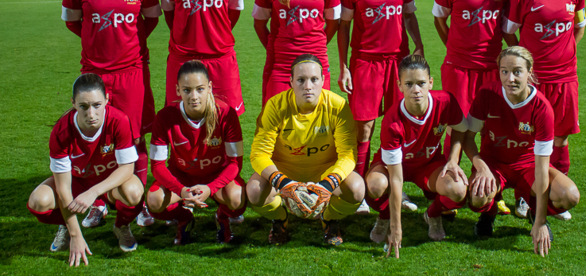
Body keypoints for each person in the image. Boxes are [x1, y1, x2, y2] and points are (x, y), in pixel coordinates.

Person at [61, 0, 161, 228]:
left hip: (131, 72)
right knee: (95, 137)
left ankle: (138, 201)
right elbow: (73, 22)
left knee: (134, 138)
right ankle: (99, 202)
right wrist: (98, 44)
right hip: (94, 75)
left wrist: (127, 46)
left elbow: (151, 19)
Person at [338, 0, 424, 213]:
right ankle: (361, 191)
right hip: (365, 62)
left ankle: (398, 188)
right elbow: (344, 27)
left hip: (397, 63)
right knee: (365, 129)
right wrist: (344, 66)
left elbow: (410, 16)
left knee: (399, 125)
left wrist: (419, 45)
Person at [432, 0, 516, 216]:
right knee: (455, 128)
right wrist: (454, 48)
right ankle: (448, 194)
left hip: (493, 70)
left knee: (493, 130)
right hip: (457, 68)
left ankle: (494, 190)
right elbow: (440, 20)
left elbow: (508, 28)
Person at [464, 47, 580, 256]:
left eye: (517, 71)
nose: (510, 78)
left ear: (530, 72)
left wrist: (542, 221)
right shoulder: (487, 94)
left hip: (529, 166)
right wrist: (481, 167)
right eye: (504, 71)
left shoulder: (542, 108)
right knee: (477, 197)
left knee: (569, 196)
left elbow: (543, 168)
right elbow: (467, 138)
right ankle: (488, 215)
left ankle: (534, 214)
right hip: (493, 165)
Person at [503, 0, 586, 221]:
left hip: (565, 79)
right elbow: (508, 31)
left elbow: (579, 25)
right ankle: (523, 198)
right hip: (534, 82)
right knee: (528, 140)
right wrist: (525, 66)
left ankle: (553, 193)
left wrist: (567, 52)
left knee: (560, 139)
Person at [27, 74, 144, 266]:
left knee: (134, 192)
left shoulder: (118, 120)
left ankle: (121, 226)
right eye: (84, 106)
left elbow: (127, 168)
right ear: (73, 103)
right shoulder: (61, 131)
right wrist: (76, 235)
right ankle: (67, 225)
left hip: (109, 183)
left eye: (97, 105)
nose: (91, 114)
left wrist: (95, 192)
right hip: (77, 182)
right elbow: (63, 188)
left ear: (107, 99)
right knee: (39, 201)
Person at [247, 54, 364, 246]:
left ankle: (328, 218)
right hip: (285, 171)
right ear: (291, 82)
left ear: (323, 81)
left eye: (313, 79)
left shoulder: (338, 106)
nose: (307, 86)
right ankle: (280, 219)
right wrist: (282, 182)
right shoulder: (275, 106)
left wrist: (328, 184)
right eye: (301, 80)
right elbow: (259, 153)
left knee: (357, 189)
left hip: (324, 171)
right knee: (254, 191)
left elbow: (348, 154)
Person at [365, 55, 469, 256]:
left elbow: (460, 129)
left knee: (458, 189)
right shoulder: (393, 120)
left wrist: (453, 160)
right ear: (399, 85)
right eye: (409, 84)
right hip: (394, 167)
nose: (416, 90)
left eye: (421, 83)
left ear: (431, 82)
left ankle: (432, 214)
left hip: (428, 165)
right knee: (376, 186)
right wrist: (397, 227)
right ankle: (385, 217)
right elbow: (396, 178)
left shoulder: (445, 101)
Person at [147, 60, 246, 245]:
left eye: (200, 89)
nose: (194, 96)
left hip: (216, 175)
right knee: (154, 201)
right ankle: (184, 217)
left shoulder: (226, 113)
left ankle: (222, 217)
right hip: (182, 177)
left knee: (237, 200)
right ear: (177, 90)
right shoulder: (165, 117)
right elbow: (157, 166)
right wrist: (181, 191)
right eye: (187, 90)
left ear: (209, 87)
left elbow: (235, 164)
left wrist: (211, 188)